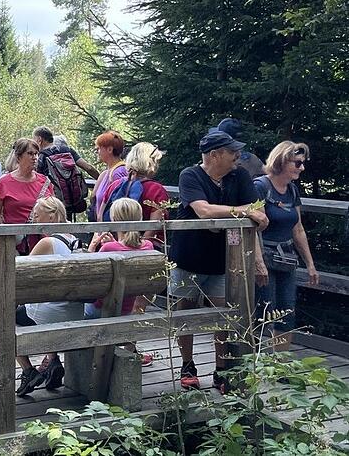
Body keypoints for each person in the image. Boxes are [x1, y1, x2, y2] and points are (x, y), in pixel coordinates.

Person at [168, 130, 269, 393]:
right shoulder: (190, 175)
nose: (237, 156)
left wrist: (259, 260)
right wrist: (243, 211)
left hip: (223, 259)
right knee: (185, 312)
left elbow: (258, 210)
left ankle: (221, 368)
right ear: (215, 155)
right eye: (231, 151)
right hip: (188, 257)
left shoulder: (240, 176)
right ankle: (187, 365)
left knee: (222, 315)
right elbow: (203, 210)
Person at [254, 141, 319, 352]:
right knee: (263, 312)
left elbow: (298, 229)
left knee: (286, 312)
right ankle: (255, 363)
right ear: (282, 161)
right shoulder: (260, 187)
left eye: (303, 163)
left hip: (287, 259)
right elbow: (251, 228)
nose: (302, 168)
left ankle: (280, 366)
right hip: (264, 256)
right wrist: (258, 262)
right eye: (297, 163)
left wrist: (310, 264)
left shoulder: (292, 190)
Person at [15, 196, 83, 396]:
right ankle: (52, 361)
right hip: (75, 311)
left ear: (52, 216)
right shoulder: (74, 239)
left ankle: (28, 370)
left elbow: (19, 272)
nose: (34, 221)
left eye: (37, 216)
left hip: (55, 313)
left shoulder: (47, 242)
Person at [86, 197, 157, 366]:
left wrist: (92, 248)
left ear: (114, 219)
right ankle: (129, 350)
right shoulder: (148, 246)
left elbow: (89, 276)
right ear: (140, 219)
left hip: (101, 309)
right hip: (127, 309)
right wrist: (113, 244)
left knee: (73, 306)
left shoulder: (108, 249)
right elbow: (126, 248)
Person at [0, 138, 54, 252]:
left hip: (43, 244)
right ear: (18, 157)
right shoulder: (4, 182)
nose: (34, 157)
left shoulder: (45, 182)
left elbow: (55, 213)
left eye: (36, 154)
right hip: (14, 245)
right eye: (30, 153)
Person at [102, 142, 170, 242]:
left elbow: (100, 216)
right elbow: (154, 226)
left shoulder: (114, 186)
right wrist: (137, 246)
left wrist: (115, 243)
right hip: (145, 250)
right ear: (152, 163)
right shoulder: (157, 190)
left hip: (111, 244)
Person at [32, 126, 100, 180]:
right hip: (74, 194)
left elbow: (36, 179)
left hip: (52, 196)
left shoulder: (41, 157)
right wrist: (102, 181)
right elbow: (88, 168)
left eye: (34, 139)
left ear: (39, 140)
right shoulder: (67, 150)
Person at [90, 131, 128, 221]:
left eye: (99, 148)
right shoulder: (107, 172)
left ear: (110, 149)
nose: (97, 152)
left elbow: (120, 204)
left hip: (112, 228)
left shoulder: (118, 172)